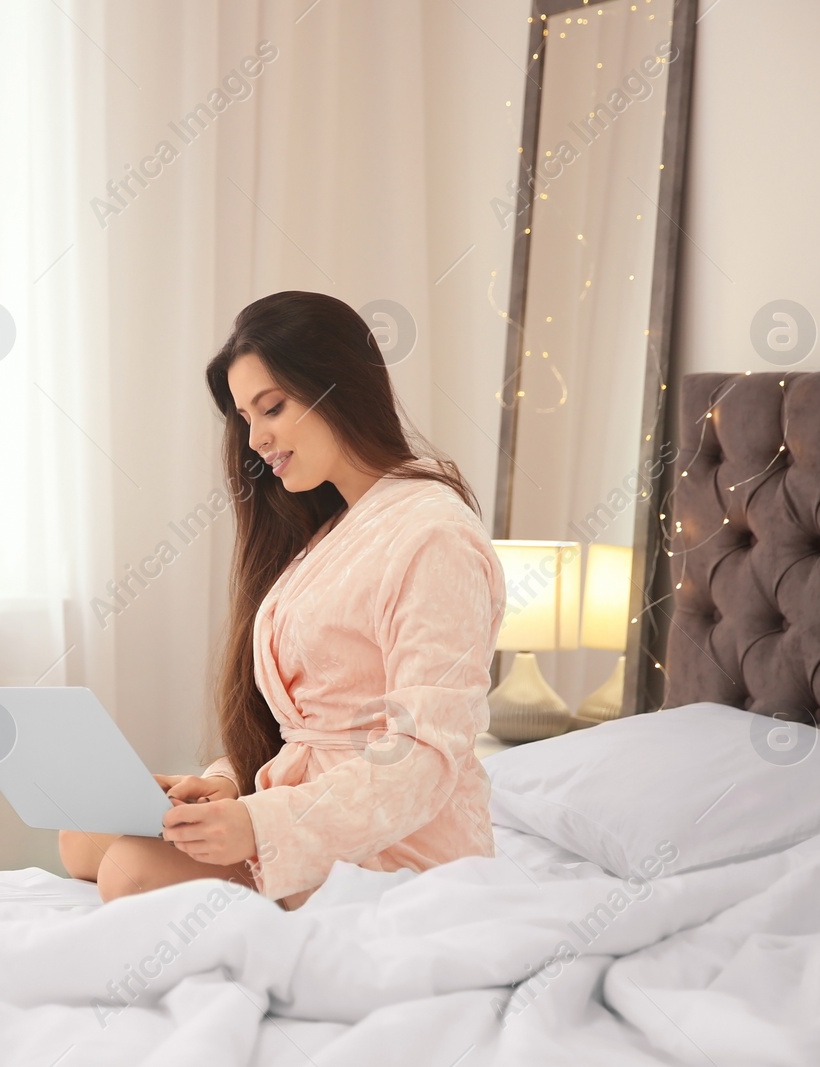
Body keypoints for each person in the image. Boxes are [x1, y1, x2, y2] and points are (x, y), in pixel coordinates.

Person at [59, 291, 505, 909]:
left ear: (339, 386)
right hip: (301, 809)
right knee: (80, 837)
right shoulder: (331, 530)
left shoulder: (434, 536)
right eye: (245, 419)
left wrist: (259, 824)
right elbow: (303, 737)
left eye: (271, 408)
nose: (257, 439)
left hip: (402, 844)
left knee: (130, 869)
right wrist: (224, 786)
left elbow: (425, 756)